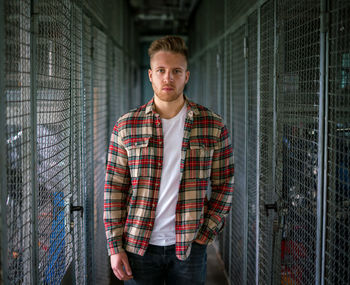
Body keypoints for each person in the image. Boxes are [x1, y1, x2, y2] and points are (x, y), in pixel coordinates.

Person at [104, 35, 234, 285]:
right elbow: (114, 188)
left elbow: (224, 183)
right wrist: (114, 246)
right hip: (138, 245)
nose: (168, 77)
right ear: (150, 75)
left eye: (176, 71)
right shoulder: (126, 125)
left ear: (186, 76)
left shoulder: (212, 125)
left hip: (189, 246)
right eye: (161, 70)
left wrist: (205, 234)